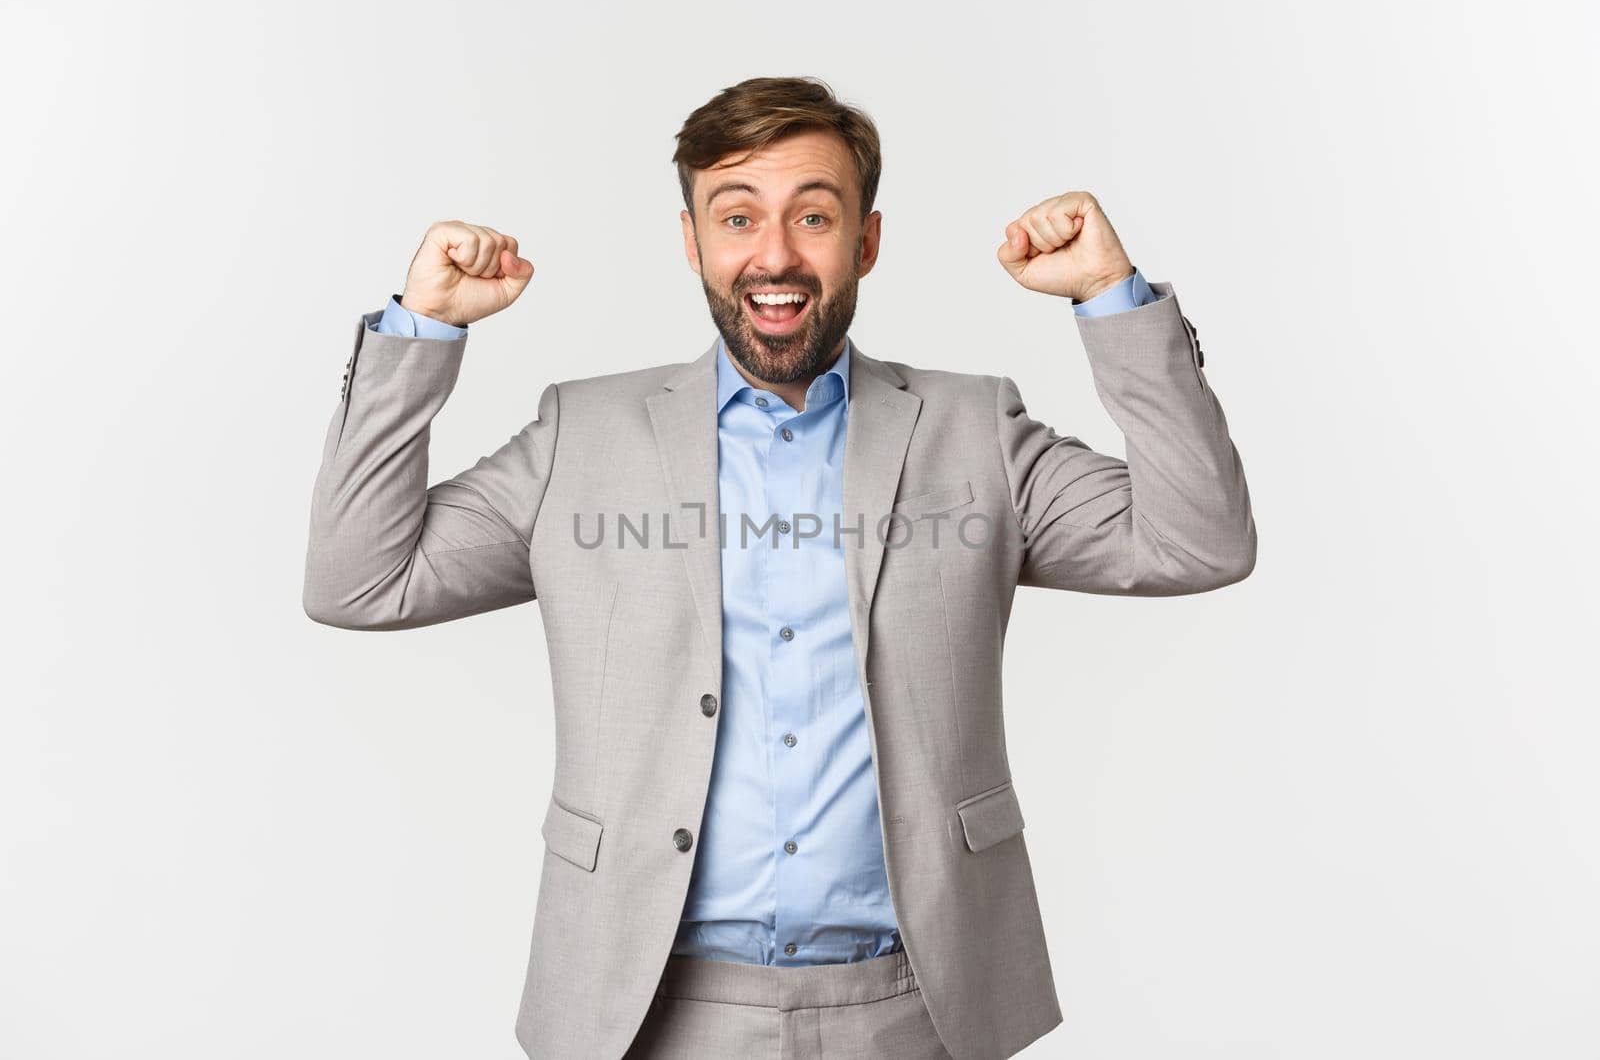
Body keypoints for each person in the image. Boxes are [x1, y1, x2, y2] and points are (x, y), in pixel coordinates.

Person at [303, 75, 1256, 1060]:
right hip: (647, 1007)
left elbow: (1196, 537)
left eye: (814, 215)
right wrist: (424, 327)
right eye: (736, 216)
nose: (775, 254)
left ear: (866, 242)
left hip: (919, 1003)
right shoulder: (576, 439)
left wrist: (1111, 298)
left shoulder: (976, 432)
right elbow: (358, 578)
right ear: (692, 242)